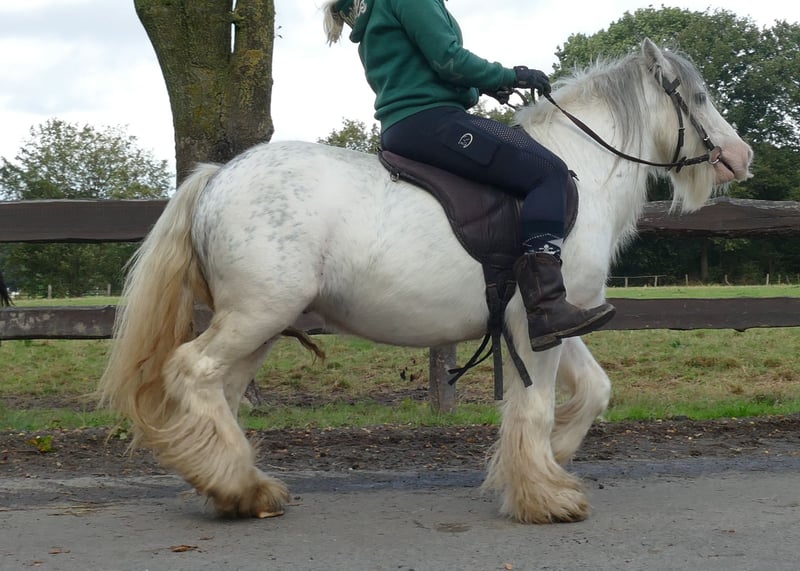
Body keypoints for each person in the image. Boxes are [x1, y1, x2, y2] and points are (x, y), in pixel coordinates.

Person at [323, 0, 614, 351]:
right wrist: (512, 76)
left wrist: (484, 88)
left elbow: (430, 69)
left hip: (407, 124)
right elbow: (449, 59)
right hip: (432, 120)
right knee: (548, 173)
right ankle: (546, 304)